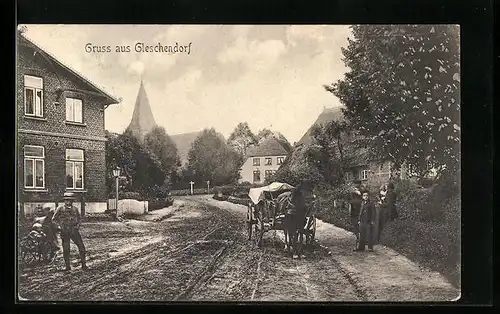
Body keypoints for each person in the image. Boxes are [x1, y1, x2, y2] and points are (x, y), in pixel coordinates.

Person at [52, 192, 87, 271]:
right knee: (66, 249)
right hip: (65, 231)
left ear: (72, 201)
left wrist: (78, 225)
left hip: (74, 231)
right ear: (64, 201)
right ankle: (67, 266)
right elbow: (54, 220)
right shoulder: (60, 209)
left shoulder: (75, 209)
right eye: (67, 200)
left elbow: (79, 219)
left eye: (70, 200)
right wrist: (59, 227)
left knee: (81, 247)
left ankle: (84, 264)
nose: (68, 202)